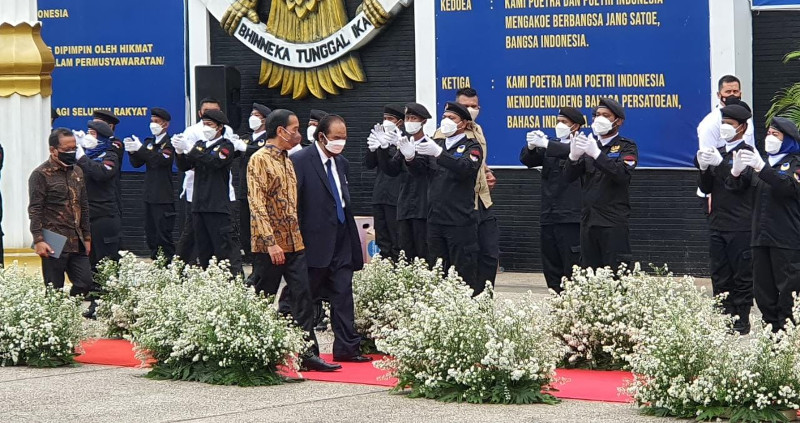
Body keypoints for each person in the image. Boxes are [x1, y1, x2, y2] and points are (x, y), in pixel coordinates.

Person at [247, 109, 341, 371]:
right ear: (281, 131)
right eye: (295, 129)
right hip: (269, 245)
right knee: (262, 296)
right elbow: (257, 205)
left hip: (294, 242)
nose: (299, 134)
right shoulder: (259, 160)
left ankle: (306, 353)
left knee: (303, 296)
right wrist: (270, 242)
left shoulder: (288, 160)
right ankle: (253, 347)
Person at [292, 114, 371, 363]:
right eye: (336, 138)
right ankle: (306, 351)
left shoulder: (341, 163)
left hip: (341, 239)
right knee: (304, 297)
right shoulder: (300, 161)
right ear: (321, 136)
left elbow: (344, 201)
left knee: (343, 294)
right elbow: (295, 205)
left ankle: (348, 347)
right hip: (313, 241)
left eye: (344, 138)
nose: (341, 143)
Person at [729, 116, 800, 332]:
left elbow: (788, 187)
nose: (770, 138)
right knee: (763, 292)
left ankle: (789, 337)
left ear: (787, 139)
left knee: (788, 292)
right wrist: (736, 172)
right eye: (768, 133)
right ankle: (772, 334)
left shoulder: (795, 163)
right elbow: (737, 189)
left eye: (775, 134)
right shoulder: (762, 164)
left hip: (786, 238)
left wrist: (761, 167)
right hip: (760, 237)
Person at [407, 102, 484, 294]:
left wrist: (440, 155)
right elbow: (420, 172)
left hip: (459, 219)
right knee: (437, 269)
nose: (446, 121)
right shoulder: (437, 144)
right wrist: (409, 158)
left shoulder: (471, 146)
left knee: (462, 271)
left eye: (452, 118)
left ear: (464, 123)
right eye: (444, 117)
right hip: (435, 218)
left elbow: (465, 169)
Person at [695, 103, 755, 334]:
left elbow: (737, 185)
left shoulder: (748, 153)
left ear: (742, 127)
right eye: (723, 123)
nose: (724, 128)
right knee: (719, 273)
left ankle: (742, 317)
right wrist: (703, 169)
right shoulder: (718, 153)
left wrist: (722, 167)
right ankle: (724, 315)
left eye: (729, 124)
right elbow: (706, 187)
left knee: (741, 274)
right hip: (717, 223)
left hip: (740, 225)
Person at [29, 128, 98, 315]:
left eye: (74, 148)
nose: (71, 152)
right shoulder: (41, 174)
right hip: (53, 238)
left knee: (85, 282)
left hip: (77, 238)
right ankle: (56, 323)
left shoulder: (77, 171)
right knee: (54, 288)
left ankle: (68, 311)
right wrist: (38, 239)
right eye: (67, 149)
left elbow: (83, 204)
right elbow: (35, 208)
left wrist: (87, 236)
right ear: (53, 150)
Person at [564, 97, 638, 272]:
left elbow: (621, 174)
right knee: (589, 274)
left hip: (612, 222)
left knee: (617, 273)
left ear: (618, 121)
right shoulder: (590, 144)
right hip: (589, 221)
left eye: (606, 115)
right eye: (597, 115)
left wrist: (597, 154)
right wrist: (573, 157)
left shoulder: (627, 147)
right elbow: (568, 178)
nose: (599, 119)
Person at [520, 107, 584, 293]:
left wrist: (547, 144)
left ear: (576, 126)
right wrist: (531, 146)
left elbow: (571, 151)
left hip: (572, 217)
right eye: (558, 121)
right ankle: (557, 304)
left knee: (573, 267)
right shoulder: (551, 145)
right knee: (551, 265)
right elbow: (527, 160)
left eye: (564, 122)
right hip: (549, 215)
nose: (559, 125)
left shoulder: (582, 143)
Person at [173, 109, 241, 274]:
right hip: (199, 205)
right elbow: (184, 166)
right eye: (204, 124)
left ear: (219, 127)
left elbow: (214, 162)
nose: (206, 128)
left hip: (217, 206)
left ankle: (232, 281)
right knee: (203, 248)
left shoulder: (226, 146)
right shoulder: (200, 145)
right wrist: (180, 152)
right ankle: (208, 278)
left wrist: (190, 149)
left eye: (209, 125)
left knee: (223, 248)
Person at [454, 88, 500, 288]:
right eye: (465, 106)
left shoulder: (478, 130)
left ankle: (484, 303)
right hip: (463, 205)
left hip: (483, 200)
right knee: (468, 257)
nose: (470, 110)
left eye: (474, 106)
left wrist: (487, 173)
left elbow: (479, 162)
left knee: (490, 254)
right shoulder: (447, 133)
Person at [377, 102, 431, 261]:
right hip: (405, 206)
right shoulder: (404, 144)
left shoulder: (430, 145)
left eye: (413, 118)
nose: (409, 121)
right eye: (407, 117)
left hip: (422, 207)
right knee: (405, 253)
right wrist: (383, 147)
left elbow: (421, 170)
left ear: (423, 121)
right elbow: (391, 169)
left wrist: (411, 157)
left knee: (423, 252)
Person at [696, 75, 756, 201]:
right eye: (728, 92)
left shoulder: (746, 118)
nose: (732, 95)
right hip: (718, 188)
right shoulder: (710, 123)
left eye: (735, 91)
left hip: (743, 184)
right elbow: (706, 160)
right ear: (719, 95)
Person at [126, 107, 176, 260]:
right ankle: (156, 262)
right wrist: (132, 151)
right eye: (152, 121)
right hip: (149, 195)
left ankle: (169, 265)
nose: (153, 124)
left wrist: (140, 149)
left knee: (163, 235)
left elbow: (159, 160)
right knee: (151, 234)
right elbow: (137, 163)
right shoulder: (149, 142)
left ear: (165, 125)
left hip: (163, 197)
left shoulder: (169, 144)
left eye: (157, 122)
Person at [77, 120, 121, 270]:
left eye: (93, 134)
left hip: (103, 216)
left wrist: (82, 158)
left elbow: (101, 173)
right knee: (89, 260)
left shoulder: (110, 156)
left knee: (105, 260)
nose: (89, 137)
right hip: (86, 216)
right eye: (88, 133)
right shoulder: (85, 156)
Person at [365, 104, 403, 261]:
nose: (386, 122)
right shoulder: (379, 137)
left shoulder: (402, 140)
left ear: (399, 122)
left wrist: (390, 146)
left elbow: (395, 166)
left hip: (396, 196)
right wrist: (374, 149)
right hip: (380, 194)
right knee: (382, 236)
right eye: (385, 118)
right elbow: (369, 164)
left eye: (390, 119)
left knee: (396, 237)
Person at [239, 103, 272, 264]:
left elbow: (260, 151)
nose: (253, 118)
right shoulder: (245, 137)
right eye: (252, 114)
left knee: (258, 225)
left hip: (260, 190)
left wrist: (244, 148)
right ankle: (249, 255)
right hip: (244, 188)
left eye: (257, 116)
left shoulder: (267, 139)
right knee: (244, 225)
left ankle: (260, 258)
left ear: (265, 120)